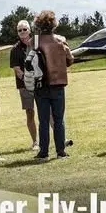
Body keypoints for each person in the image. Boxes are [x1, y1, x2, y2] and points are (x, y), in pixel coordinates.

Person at [31, 10, 74, 159]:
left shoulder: (35, 42)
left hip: (41, 85)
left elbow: (30, 62)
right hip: (58, 83)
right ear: (54, 25)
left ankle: (43, 152)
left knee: (43, 120)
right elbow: (69, 61)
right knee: (58, 119)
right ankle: (61, 151)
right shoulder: (61, 40)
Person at [10, 19, 38, 150]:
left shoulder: (37, 43)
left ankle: (60, 138)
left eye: (24, 29)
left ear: (29, 30)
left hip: (40, 83)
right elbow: (16, 69)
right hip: (24, 85)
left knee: (47, 111)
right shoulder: (15, 49)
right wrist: (28, 79)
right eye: (19, 30)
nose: (22, 32)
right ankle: (35, 142)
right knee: (30, 112)